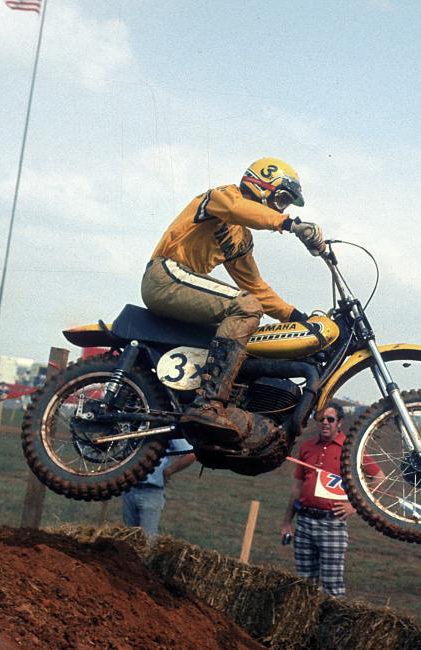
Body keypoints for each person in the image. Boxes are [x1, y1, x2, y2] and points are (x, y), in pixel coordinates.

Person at [142, 157, 324, 441]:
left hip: (187, 287)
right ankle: (209, 402)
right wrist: (287, 223)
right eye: (283, 198)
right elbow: (239, 209)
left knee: (250, 306)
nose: (283, 207)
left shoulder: (241, 238)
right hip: (166, 275)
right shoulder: (222, 197)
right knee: (246, 306)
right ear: (264, 185)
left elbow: (255, 285)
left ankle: (206, 402)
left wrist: (296, 317)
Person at [281, 403, 380, 597]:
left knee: (332, 587)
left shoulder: (351, 449)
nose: (325, 423)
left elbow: (379, 477)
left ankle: (331, 627)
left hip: (332, 524)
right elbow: (297, 487)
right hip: (304, 522)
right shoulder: (307, 447)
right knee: (304, 585)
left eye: (330, 419)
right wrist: (287, 522)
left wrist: (356, 505)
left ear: (339, 423)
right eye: (322, 419)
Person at [122, 439, 196, 541]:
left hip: (151, 492)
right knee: (127, 539)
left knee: (147, 541)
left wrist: (169, 471)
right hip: (130, 489)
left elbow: (190, 454)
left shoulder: (166, 428)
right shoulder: (136, 426)